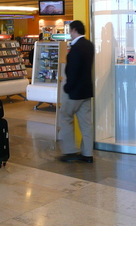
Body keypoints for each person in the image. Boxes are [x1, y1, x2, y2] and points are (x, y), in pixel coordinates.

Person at [57, 20, 95, 163]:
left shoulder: (75, 48)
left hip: (74, 92)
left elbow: (72, 71)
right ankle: (87, 154)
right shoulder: (89, 45)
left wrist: (67, 88)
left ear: (73, 30)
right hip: (86, 91)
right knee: (86, 123)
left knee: (66, 118)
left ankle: (70, 151)